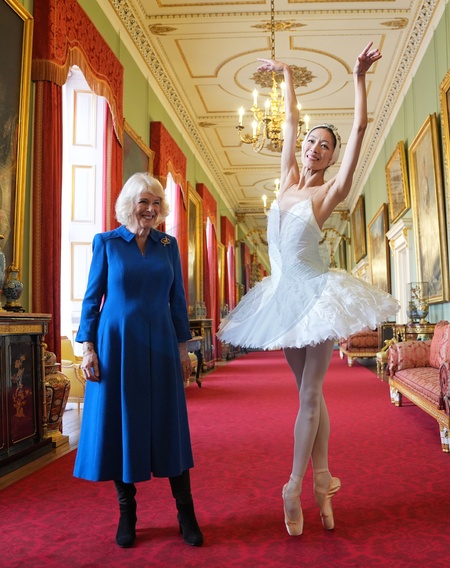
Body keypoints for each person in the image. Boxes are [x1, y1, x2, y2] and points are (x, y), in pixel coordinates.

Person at [217, 43, 399, 536]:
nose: (314, 147)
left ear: (332, 157)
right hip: (282, 300)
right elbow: (292, 122)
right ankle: (323, 482)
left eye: (324, 146)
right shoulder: (286, 181)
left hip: (317, 296)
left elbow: (359, 129)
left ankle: (292, 486)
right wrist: (285, 76)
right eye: (311, 142)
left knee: (312, 395)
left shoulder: (326, 193)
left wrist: (358, 77)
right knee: (309, 397)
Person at [73, 172, 203, 548]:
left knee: (169, 423)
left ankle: (185, 512)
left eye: (156, 202)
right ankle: (126, 511)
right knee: (121, 423)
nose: (150, 208)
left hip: (161, 343)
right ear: (129, 204)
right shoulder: (107, 243)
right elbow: (91, 299)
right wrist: (88, 348)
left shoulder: (168, 245)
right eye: (143, 201)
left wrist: (184, 349)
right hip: (116, 344)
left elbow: (177, 301)